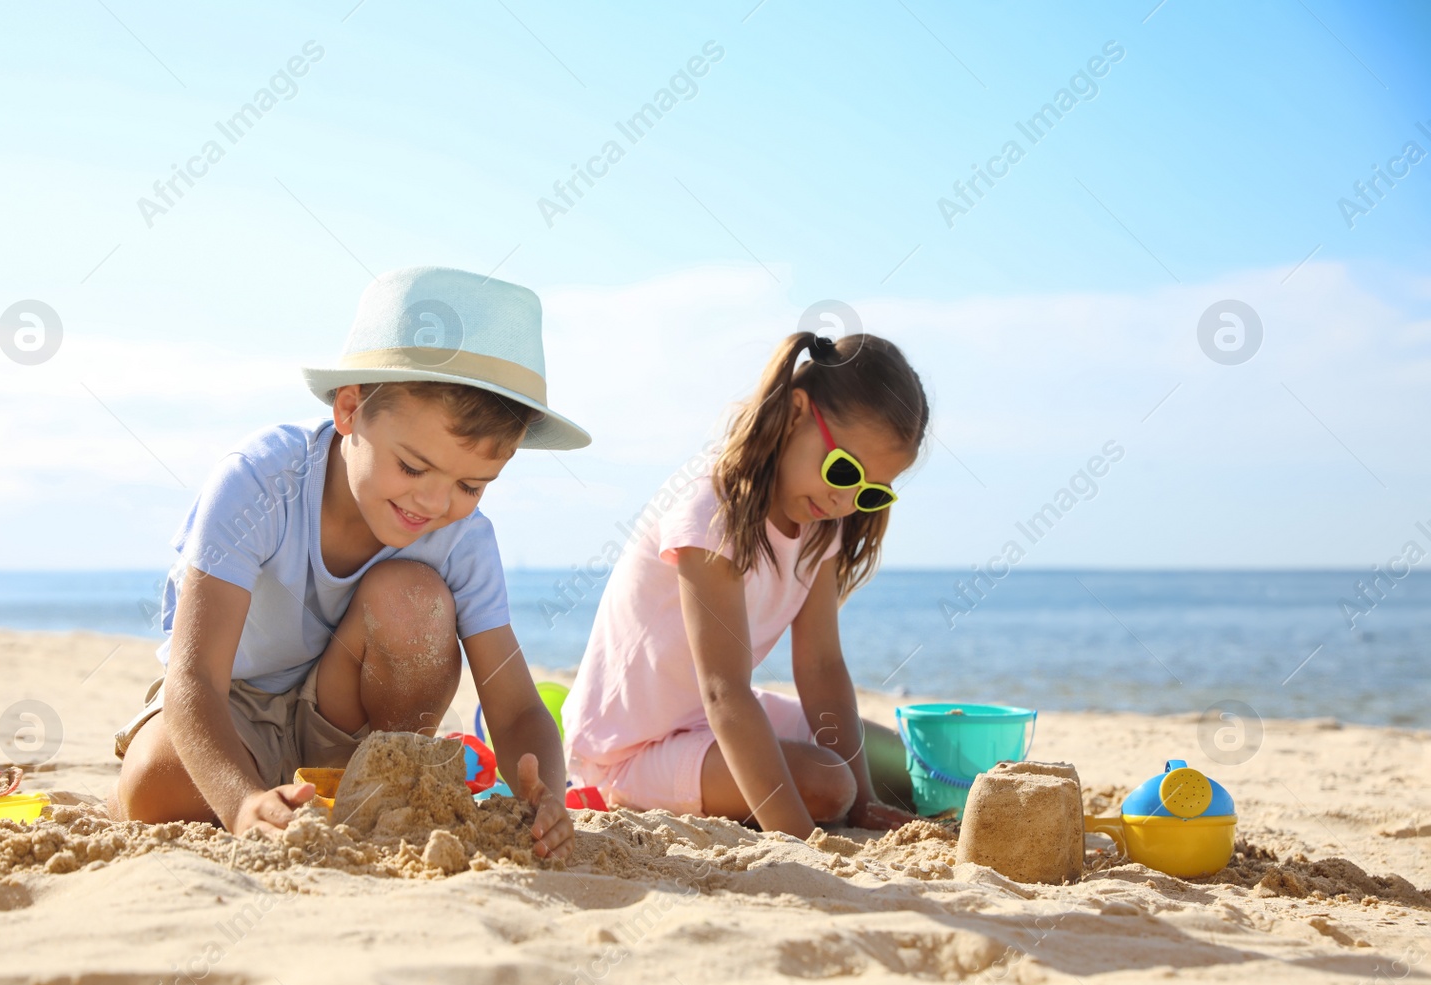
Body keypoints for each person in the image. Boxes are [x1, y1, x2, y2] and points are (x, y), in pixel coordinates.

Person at [113, 266, 589, 859]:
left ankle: (386, 784)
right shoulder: (260, 482)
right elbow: (196, 680)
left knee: (411, 596)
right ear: (348, 410)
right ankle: (261, 792)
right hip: (230, 703)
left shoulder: (463, 538)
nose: (436, 503)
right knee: (152, 788)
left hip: (351, 732)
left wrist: (548, 798)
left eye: (471, 484)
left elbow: (518, 709)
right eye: (413, 468)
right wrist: (238, 804)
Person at [563, 330, 927, 837]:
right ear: (796, 412)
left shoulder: (822, 526)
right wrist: (805, 844)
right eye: (843, 471)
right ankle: (627, 790)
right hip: (631, 748)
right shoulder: (710, 514)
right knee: (828, 784)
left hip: (713, 722)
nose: (846, 502)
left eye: (870, 494)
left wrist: (866, 805)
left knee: (895, 763)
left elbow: (821, 667)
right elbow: (724, 691)